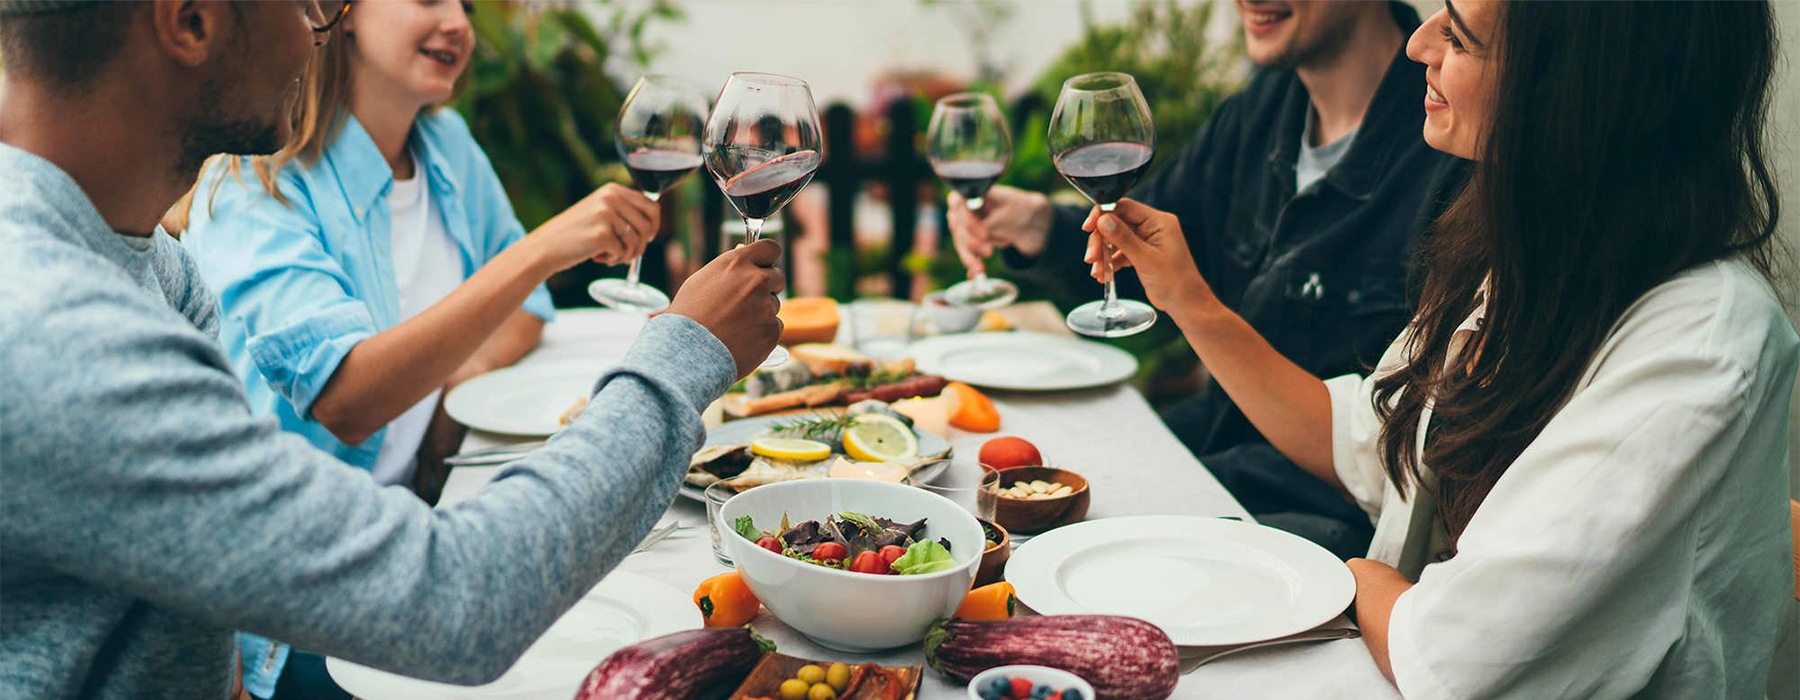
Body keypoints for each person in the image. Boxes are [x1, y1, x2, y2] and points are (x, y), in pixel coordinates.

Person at [0, 2, 784, 699]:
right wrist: (683, 355)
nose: (319, 33)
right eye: (311, 2)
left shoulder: (141, 260)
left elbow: (192, 598)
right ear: (192, 20)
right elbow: (456, 601)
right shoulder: (59, 336)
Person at [1086, 0, 1795, 695]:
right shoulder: (1541, 260)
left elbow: (1455, 656)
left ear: (1572, 89)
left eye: (1458, 35)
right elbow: (1364, 438)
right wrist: (1186, 299)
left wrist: (1358, 577)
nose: (1417, 46)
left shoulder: (1700, 346)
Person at [168, 2, 662, 692]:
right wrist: (542, 249)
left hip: (424, 528)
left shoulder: (445, 145)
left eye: (462, 2)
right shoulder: (255, 183)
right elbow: (347, 399)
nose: (458, 22)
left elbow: (527, 312)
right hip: (303, 602)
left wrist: (454, 387)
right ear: (337, 13)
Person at [948, 0, 1467, 559]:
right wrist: (1035, 224)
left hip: (1317, 537)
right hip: (1210, 463)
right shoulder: (1259, 111)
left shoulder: (1456, 152)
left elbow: (1410, 456)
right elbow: (1150, 251)